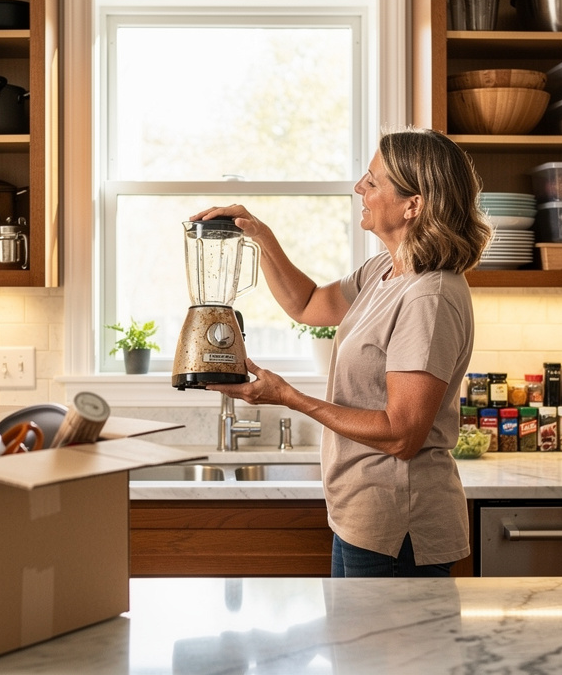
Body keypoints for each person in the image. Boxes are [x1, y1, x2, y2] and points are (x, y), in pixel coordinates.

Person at [192, 128, 492, 577]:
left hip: (397, 525)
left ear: (414, 205)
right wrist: (260, 235)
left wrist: (289, 398)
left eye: (373, 182)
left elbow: (401, 434)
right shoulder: (385, 271)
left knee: (381, 651)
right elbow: (308, 303)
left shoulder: (428, 298)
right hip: (361, 516)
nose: (360, 189)